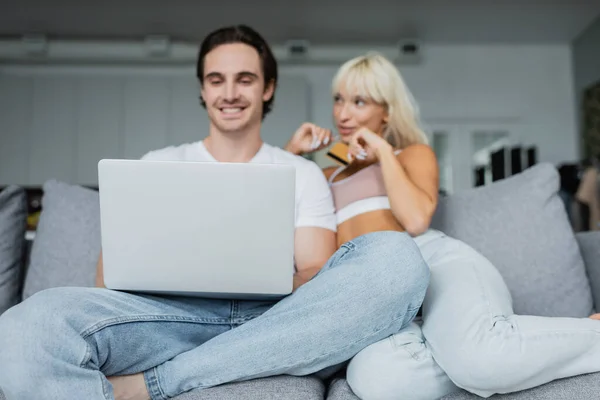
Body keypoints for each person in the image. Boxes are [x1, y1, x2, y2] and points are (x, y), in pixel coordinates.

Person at [0, 26, 430, 400]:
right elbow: (105, 280)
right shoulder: (156, 164)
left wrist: (257, 279)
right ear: (203, 90)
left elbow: (316, 270)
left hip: (273, 320)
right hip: (163, 321)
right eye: (216, 80)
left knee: (396, 259)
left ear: (268, 88)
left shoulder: (300, 172)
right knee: (24, 328)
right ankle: (225, 361)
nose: (229, 94)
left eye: (244, 80)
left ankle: (158, 383)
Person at [284, 52, 600, 400]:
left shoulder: (413, 154)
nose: (343, 114)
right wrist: (291, 158)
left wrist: (384, 152)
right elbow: (297, 245)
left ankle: (526, 344)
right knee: (377, 380)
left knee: (479, 360)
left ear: (386, 110)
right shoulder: (326, 174)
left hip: (432, 262)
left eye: (359, 101)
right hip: (375, 294)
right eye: (339, 100)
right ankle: (488, 350)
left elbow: (416, 220)